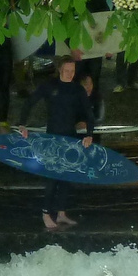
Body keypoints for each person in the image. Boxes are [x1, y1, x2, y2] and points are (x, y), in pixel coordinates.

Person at [20, 57, 96, 230]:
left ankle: (61, 214)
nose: (70, 74)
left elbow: (88, 114)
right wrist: (22, 124)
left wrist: (89, 135)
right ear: (60, 69)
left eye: (73, 71)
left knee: (66, 178)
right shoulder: (49, 86)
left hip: (70, 138)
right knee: (52, 178)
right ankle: (46, 213)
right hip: (52, 138)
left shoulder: (77, 89)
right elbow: (29, 103)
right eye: (67, 70)